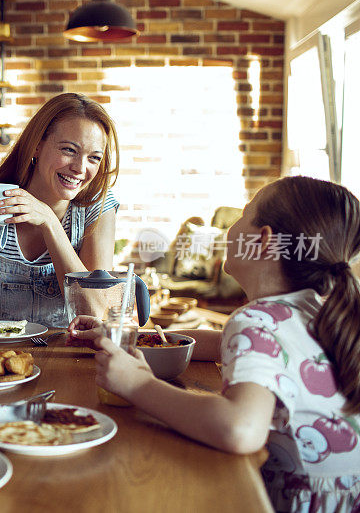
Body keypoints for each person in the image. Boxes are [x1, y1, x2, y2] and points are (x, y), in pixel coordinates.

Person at [71, 176, 360, 512]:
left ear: (262, 240)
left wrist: (137, 385)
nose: (229, 230)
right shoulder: (317, 311)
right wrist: (122, 338)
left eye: (244, 215)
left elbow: (240, 429)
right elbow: (220, 343)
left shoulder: (255, 320)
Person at [0, 93, 120, 328]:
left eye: (94, 158)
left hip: (65, 361)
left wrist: (49, 222)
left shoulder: (96, 208)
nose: (79, 168)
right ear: (37, 145)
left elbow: (96, 312)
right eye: (69, 150)